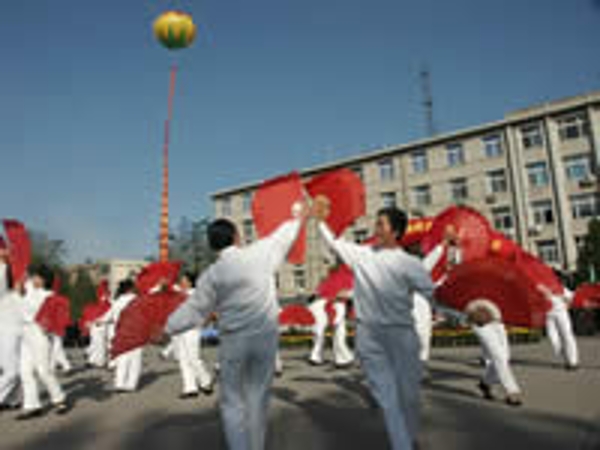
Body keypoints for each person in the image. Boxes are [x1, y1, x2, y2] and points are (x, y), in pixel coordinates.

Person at [166, 202, 305, 450]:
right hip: (264, 337)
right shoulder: (258, 253)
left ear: (212, 246)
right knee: (258, 399)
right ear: (237, 237)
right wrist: (297, 217)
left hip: (234, 341)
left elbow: (194, 310)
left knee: (232, 403)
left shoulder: (212, 275)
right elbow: (282, 237)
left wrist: (167, 329)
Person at [314, 198, 435, 450]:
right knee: (388, 398)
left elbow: (433, 293)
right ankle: (403, 444)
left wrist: (470, 308)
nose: (374, 229)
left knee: (409, 396)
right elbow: (335, 243)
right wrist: (320, 220)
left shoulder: (410, 264)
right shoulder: (363, 254)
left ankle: (408, 438)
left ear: (396, 232)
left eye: (380, 224)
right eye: (376, 224)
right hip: (369, 335)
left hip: (402, 335)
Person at [18, 264, 69, 420]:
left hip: (39, 333)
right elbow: (20, 280)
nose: (33, 279)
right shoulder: (29, 287)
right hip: (24, 333)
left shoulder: (50, 296)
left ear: (44, 279)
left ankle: (59, 399)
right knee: (25, 371)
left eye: (36, 277)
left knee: (43, 370)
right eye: (33, 276)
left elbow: (55, 315)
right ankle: (32, 406)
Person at [465, 300, 523, 407]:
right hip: (481, 323)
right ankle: (512, 392)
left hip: (498, 321)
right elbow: (464, 306)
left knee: (505, 357)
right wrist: (473, 313)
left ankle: (485, 383)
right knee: (499, 357)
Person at [171, 272, 214, 399]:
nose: (182, 282)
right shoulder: (178, 292)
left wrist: (205, 321)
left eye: (184, 280)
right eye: (181, 280)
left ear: (191, 282)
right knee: (183, 359)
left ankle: (205, 381)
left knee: (193, 358)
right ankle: (190, 388)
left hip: (192, 329)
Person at [106, 280, 141, 393]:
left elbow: (109, 315)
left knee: (122, 359)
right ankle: (131, 384)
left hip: (121, 332)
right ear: (131, 288)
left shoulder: (117, 302)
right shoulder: (138, 300)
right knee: (134, 360)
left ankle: (119, 383)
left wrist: (99, 321)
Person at [537, 284, 579, 370]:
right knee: (552, 337)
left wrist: (567, 303)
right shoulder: (540, 286)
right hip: (548, 315)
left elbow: (572, 297)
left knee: (567, 335)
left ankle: (573, 362)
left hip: (561, 313)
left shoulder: (559, 287)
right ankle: (564, 354)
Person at [0, 264, 24, 411]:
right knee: (12, 372)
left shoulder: (22, 298)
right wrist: (4, 262)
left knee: (20, 371)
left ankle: (12, 400)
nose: (23, 281)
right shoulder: (4, 295)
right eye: (19, 279)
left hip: (19, 338)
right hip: (5, 338)